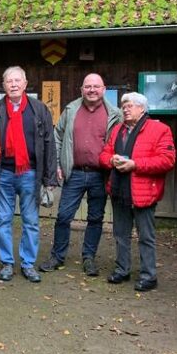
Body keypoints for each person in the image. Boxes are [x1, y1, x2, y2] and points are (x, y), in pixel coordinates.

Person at [39, 74, 121, 276]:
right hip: (74, 173)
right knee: (64, 217)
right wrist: (58, 163)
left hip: (100, 175)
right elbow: (57, 137)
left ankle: (89, 258)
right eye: (88, 86)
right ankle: (57, 257)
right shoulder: (71, 110)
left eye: (96, 86)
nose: (92, 90)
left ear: (104, 89)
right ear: (81, 89)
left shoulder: (115, 114)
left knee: (95, 218)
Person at [99, 92, 176, 291]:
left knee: (146, 236)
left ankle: (149, 276)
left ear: (142, 108)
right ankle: (122, 270)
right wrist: (111, 160)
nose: (125, 109)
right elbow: (105, 154)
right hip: (119, 190)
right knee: (120, 234)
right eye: (123, 106)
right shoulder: (117, 130)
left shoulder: (160, 129)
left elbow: (167, 160)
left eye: (130, 105)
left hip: (144, 192)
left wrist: (135, 164)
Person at [0, 66, 57, 284]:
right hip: (3, 173)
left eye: (18, 80)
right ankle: (7, 263)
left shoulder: (39, 109)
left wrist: (49, 178)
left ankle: (28, 264)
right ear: (4, 85)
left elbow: (49, 143)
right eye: (9, 81)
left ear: (26, 84)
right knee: (2, 220)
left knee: (30, 221)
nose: (14, 84)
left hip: (29, 173)